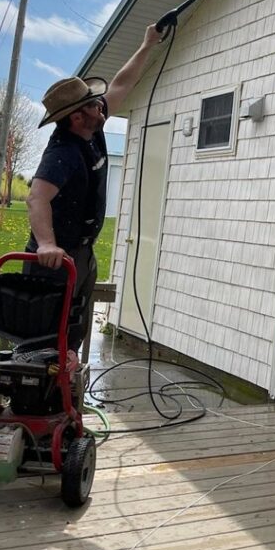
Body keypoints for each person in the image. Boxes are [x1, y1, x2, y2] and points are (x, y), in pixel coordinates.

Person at [25, 24, 166, 348]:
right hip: (53, 262)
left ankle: (65, 391)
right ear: (76, 117)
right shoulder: (63, 152)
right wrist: (46, 244)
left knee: (74, 331)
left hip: (81, 254)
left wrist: (147, 44)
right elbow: (37, 198)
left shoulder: (93, 129)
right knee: (45, 338)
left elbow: (121, 83)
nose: (101, 105)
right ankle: (39, 396)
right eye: (92, 104)